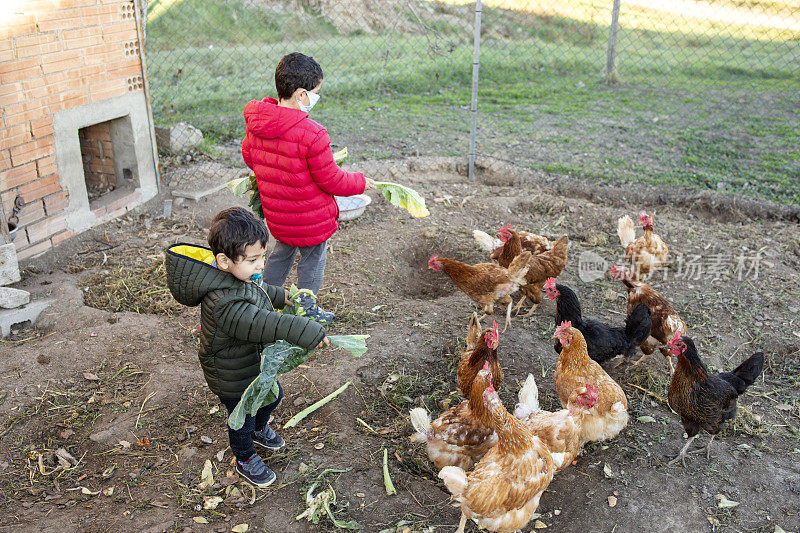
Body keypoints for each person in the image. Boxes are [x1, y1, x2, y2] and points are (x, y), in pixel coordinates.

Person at [165, 207, 328, 488]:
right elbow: (262, 323)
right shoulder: (225, 303)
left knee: (271, 398)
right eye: (253, 260)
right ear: (224, 261)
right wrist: (306, 331)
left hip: (249, 360)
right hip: (230, 370)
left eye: (262, 257)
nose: (261, 265)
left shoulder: (239, 278)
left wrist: (284, 296)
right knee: (241, 415)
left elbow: (260, 290)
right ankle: (244, 456)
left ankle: (259, 430)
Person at [242, 51, 374, 324]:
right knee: (312, 264)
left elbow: (250, 158)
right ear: (301, 94)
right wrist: (361, 182)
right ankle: (307, 309)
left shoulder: (258, 125)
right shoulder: (313, 133)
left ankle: (261, 300)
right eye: (315, 92)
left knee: (280, 256)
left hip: (279, 215)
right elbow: (332, 180)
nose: (315, 98)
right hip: (311, 220)